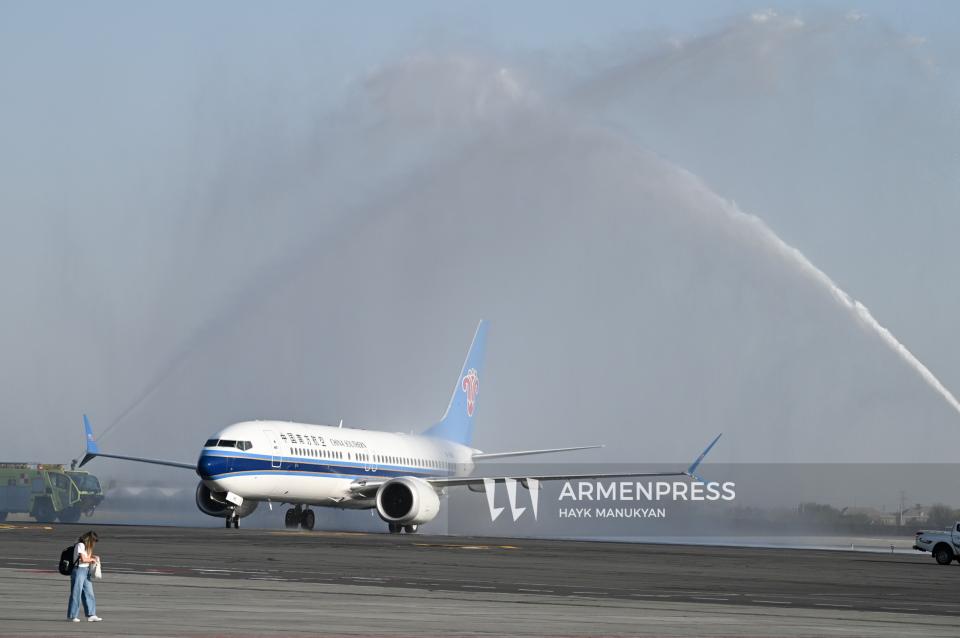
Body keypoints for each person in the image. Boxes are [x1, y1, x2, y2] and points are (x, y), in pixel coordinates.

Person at [67, 531, 102, 622]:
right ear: (89, 539)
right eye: (93, 541)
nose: (94, 543)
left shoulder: (87, 546)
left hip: (86, 570)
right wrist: (92, 559)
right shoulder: (80, 545)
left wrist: (93, 556)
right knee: (76, 593)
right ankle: (72, 616)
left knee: (89, 593)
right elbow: (83, 559)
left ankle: (91, 614)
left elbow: (87, 556)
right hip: (78, 570)